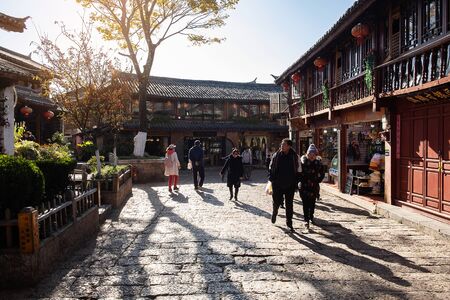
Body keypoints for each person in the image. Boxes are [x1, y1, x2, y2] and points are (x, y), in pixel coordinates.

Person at [268, 138, 301, 232]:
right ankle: (275, 212)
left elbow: (299, 170)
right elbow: (271, 167)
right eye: (281, 144)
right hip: (277, 183)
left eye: (284, 144)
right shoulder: (277, 155)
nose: (282, 146)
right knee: (276, 201)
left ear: (289, 146)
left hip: (290, 184)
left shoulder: (295, 157)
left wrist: (297, 182)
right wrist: (271, 178)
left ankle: (289, 224)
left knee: (289, 204)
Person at [298, 144, 325, 232]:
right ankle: (306, 219)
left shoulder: (318, 163)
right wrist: (300, 181)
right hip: (304, 186)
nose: (312, 156)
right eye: (310, 154)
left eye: (313, 154)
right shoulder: (303, 162)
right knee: (305, 203)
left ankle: (311, 216)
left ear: (316, 155)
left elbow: (322, 173)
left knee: (312, 203)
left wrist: (318, 180)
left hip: (314, 186)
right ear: (307, 154)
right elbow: (298, 173)